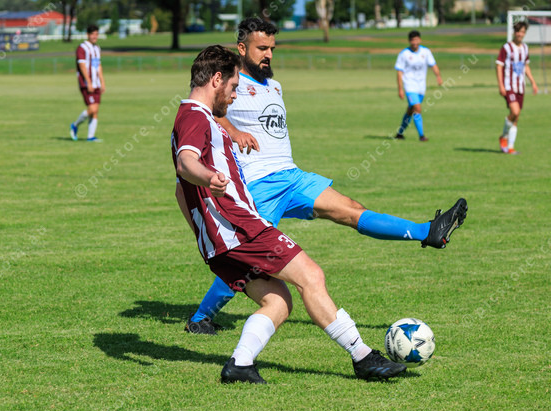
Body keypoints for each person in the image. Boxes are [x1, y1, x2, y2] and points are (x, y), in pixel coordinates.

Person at [185, 18, 467, 335]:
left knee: (349, 209)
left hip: (292, 177)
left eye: (272, 48)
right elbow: (205, 113)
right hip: (257, 185)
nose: (269, 55)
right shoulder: (230, 85)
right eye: (261, 48)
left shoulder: (275, 85)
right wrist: (234, 132)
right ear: (241, 48)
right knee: (246, 259)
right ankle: (200, 318)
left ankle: (428, 231)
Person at [173, 45, 408, 383]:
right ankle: (363, 357)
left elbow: (180, 190)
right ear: (216, 79)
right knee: (311, 276)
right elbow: (186, 164)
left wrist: (204, 236)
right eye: (234, 87)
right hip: (240, 228)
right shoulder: (196, 116)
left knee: (279, 302)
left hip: (221, 239)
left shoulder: (193, 118)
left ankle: (239, 365)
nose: (235, 96)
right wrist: (210, 179)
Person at [496, 21, 538, 155]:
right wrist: (501, 85)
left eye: (522, 32)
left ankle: (510, 147)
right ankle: (503, 137)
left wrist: (533, 82)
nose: (520, 34)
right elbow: (499, 66)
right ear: (514, 32)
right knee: (515, 112)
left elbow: (526, 66)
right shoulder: (506, 48)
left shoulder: (525, 48)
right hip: (509, 86)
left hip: (520, 86)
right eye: (518, 31)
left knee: (516, 117)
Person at [394, 30, 443, 142]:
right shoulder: (404, 54)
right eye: (412, 40)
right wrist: (400, 89)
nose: (414, 42)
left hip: (421, 86)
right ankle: (422, 136)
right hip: (409, 85)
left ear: (420, 40)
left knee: (410, 110)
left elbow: (433, 64)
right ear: (409, 41)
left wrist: (438, 76)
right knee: (417, 108)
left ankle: (400, 133)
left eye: (416, 39)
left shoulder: (426, 52)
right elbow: (399, 72)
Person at [70, 25, 105, 143]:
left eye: (96, 34)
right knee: (92, 109)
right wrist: (88, 82)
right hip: (86, 83)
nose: (95, 36)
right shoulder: (82, 48)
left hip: (96, 83)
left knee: (95, 110)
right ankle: (75, 125)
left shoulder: (97, 48)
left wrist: (102, 81)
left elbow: (98, 65)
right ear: (88, 35)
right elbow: (82, 66)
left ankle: (91, 137)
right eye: (92, 34)